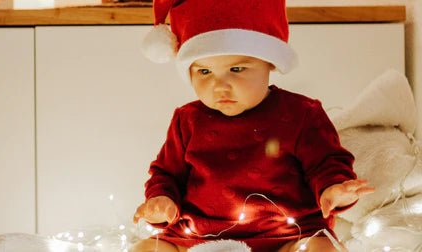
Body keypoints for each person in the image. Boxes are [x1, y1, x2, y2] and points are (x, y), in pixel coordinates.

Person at [131, 0, 375, 251]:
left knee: (322, 248)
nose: (219, 85)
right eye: (204, 72)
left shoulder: (301, 114)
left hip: (286, 235)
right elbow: (166, 174)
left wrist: (333, 188)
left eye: (236, 69)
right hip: (197, 237)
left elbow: (326, 162)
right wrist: (162, 200)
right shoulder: (187, 120)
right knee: (146, 249)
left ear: (269, 62)